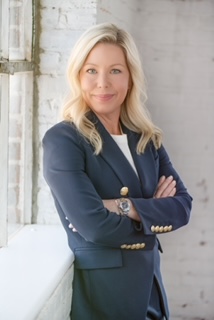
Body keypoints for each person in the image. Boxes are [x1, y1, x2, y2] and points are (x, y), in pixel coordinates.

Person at [43, 22, 192, 320]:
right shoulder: (64, 139)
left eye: (115, 70)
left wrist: (123, 206)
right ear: (77, 75)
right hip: (106, 294)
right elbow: (94, 226)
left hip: (151, 289)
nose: (103, 83)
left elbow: (182, 207)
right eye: (91, 70)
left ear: (130, 76)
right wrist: (152, 210)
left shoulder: (146, 137)